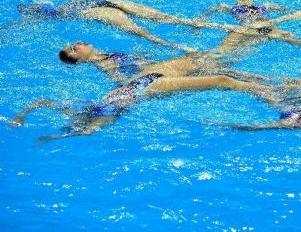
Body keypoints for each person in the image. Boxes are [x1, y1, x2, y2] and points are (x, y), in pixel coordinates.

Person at [9, 64, 279, 142]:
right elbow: (90, 129)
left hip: (144, 82)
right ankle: (268, 86)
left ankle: (266, 84)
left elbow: (43, 101)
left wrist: (21, 116)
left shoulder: (90, 104)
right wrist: (55, 136)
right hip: (148, 85)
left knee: (219, 74)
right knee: (220, 78)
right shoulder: (109, 109)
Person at [15, 0, 256, 51]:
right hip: (104, 1)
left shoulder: (55, 15)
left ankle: (181, 47)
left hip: (99, 10)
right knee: (170, 19)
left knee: (143, 33)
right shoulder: (65, 4)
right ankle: (224, 28)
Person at [58, 41, 272, 83]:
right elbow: (123, 81)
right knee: (220, 61)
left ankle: (266, 79)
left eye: (73, 44)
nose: (77, 43)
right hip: (165, 71)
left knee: (219, 61)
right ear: (79, 60)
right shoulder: (104, 63)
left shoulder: (104, 54)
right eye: (74, 49)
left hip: (166, 65)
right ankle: (268, 80)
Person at [198, 0, 295, 55]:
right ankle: (209, 61)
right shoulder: (229, 7)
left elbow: (287, 11)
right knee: (222, 50)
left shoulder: (265, 5)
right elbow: (212, 9)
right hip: (245, 29)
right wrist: (199, 23)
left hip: (263, 26)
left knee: (289, 37)